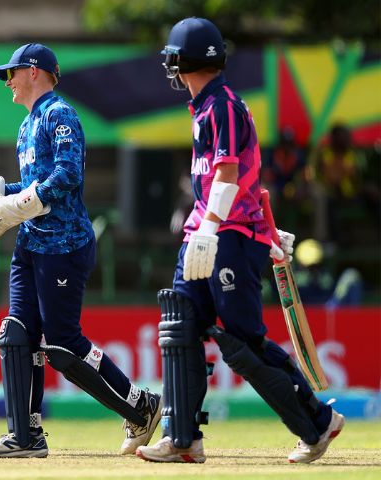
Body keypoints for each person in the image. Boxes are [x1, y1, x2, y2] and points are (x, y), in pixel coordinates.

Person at [0, 43, 161, 458]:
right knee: (16, 334)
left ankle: (140, 406)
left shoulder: (60, 115)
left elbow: (67, 176)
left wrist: (18, 205)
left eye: (12, 73)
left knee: (62, 345)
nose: (7, 82)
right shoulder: (27, 124)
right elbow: (35, 183)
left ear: (34, 71)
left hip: (63, 246)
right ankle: (25, 436)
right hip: (31, 243)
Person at [136, 17, 344, 464]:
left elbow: (229, 173)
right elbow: (243, 180)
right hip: (208, 231)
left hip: (226, 235)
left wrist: (214, 230)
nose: (169, 67)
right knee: (180, 325)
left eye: (172, 59)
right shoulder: (204, 107)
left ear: (183, 61)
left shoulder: (223, 104)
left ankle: (318, 424)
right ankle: (183, 438)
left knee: (243, 343)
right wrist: (232, 229)